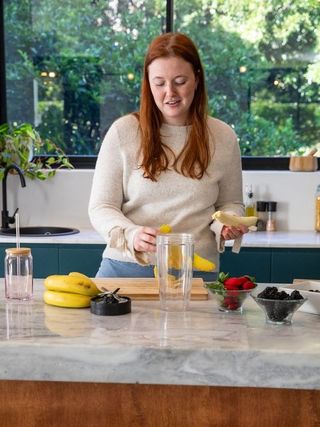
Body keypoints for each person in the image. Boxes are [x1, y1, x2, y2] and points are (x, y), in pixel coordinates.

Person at [88, 32, 249, 280]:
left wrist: (226, 225)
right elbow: (101, 207)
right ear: (148, 83)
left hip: (196, 271)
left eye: (180, 81)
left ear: (196, 78)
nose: (169, 92)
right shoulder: (123, 132)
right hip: (126, 267)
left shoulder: (223, 136)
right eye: (159, 83)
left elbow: (231, 203)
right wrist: (131, 234)